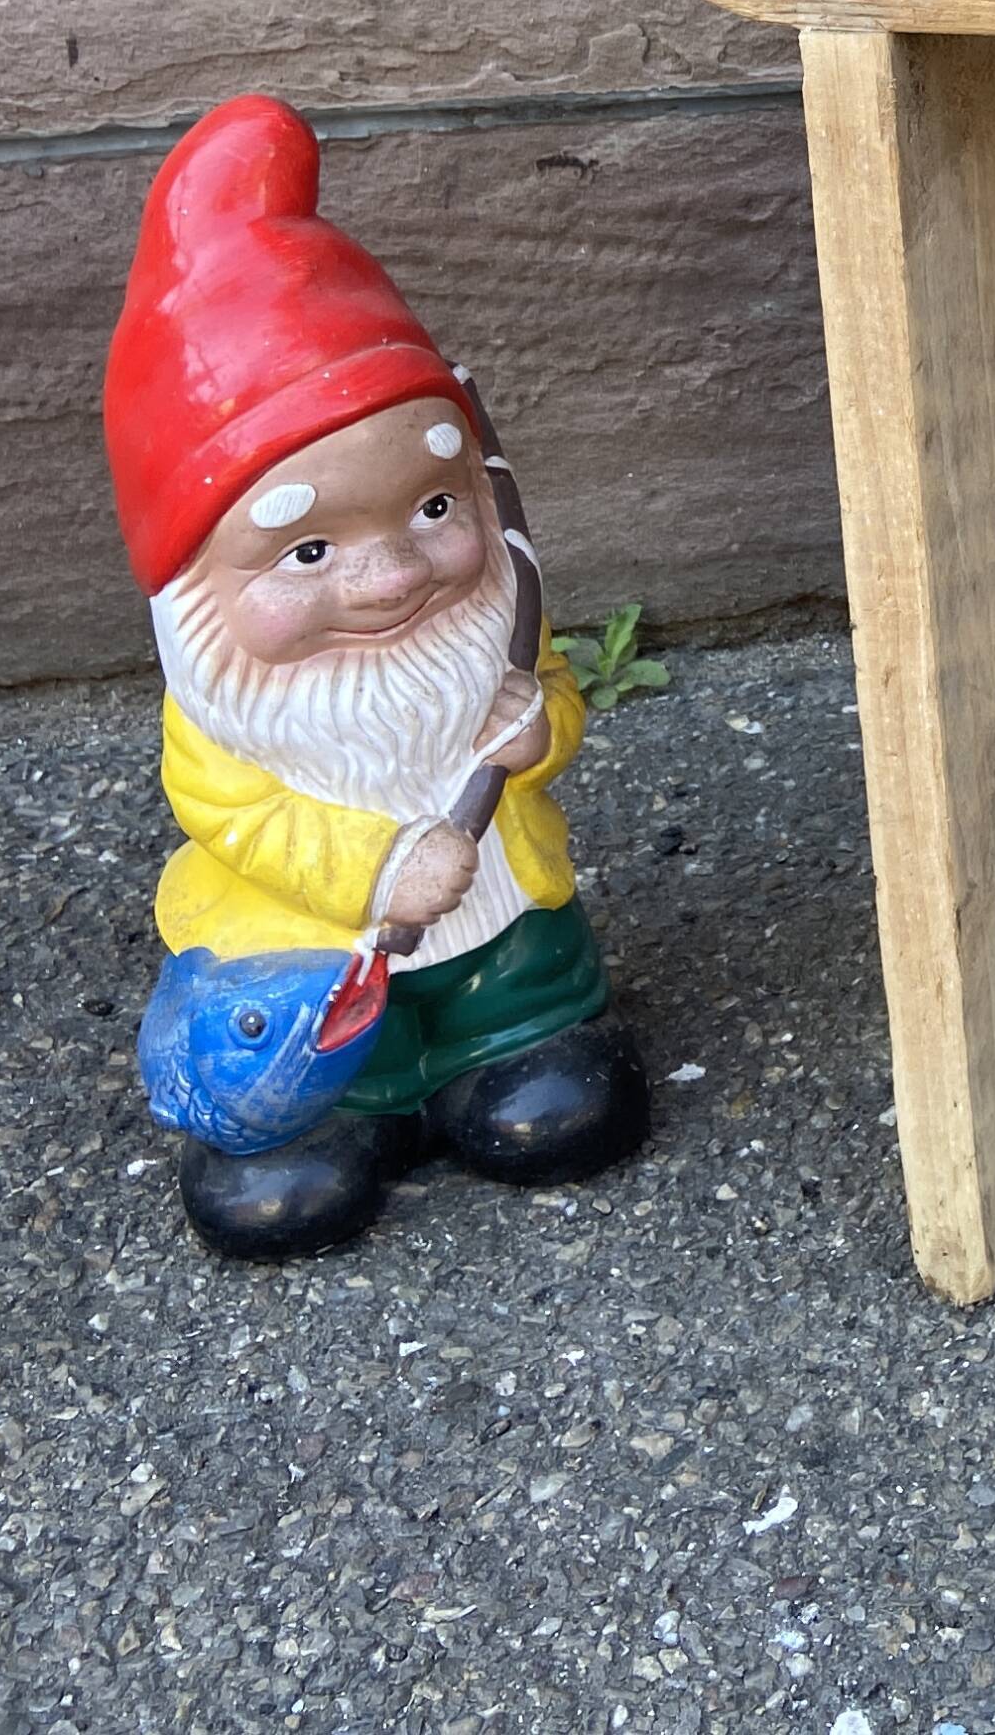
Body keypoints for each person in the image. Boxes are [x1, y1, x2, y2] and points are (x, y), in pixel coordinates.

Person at [104, 95, 647, 1257]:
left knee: (553, 1086)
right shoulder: (231, 707)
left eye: (438, 507)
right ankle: (346, 1111)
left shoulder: (479, 613)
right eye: (308, 551)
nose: (393, 571)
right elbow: (236, 814)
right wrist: (388, 864)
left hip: (505, 931)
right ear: (195, 583)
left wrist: (536, 730)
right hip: (312, 960)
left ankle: (509, 1048)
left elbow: (545, 702)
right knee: (304, 1143)